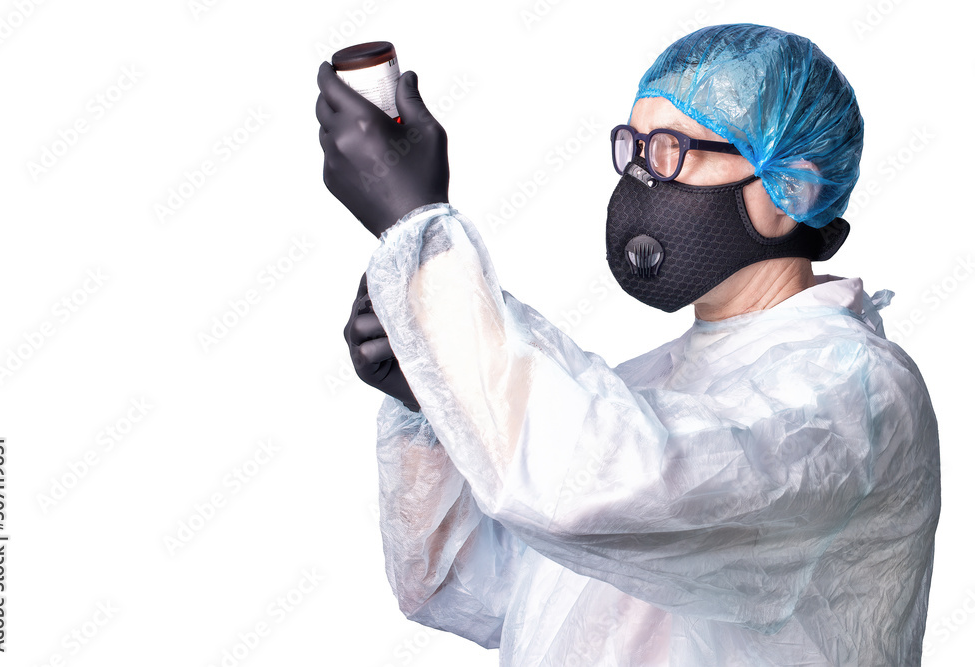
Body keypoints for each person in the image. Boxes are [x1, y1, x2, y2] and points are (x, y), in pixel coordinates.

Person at [317, 24, 940, 666]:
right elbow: (480, 587)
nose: (644, 176)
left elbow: (598, 488)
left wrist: (422, 236)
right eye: (635, 148)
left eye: (673, 149)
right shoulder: (650, 389)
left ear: (791, 190)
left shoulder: (855, 395)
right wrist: (432, 398)